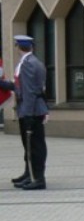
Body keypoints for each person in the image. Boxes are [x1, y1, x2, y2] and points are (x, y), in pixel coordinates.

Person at [2, 35, 48, 190]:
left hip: (31, 110)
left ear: (18, 47)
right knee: (29, 145)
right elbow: (21, 87)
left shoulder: (28, 64)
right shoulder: (30, 62)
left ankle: (38, 178)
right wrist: (4, 84)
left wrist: (27, 114)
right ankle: (30, 174)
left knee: (34, 145)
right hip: (31, 109)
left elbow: (29, 92)